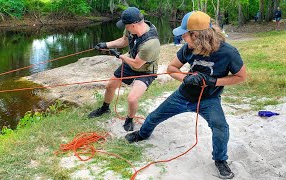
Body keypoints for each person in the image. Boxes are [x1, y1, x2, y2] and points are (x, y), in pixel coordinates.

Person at [125, 11, 247, 179]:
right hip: (183, 96)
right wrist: (186, 78)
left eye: (185, 34)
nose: (182, 38)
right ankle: (142, 134)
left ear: (197, 35)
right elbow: (171, 69)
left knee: (220, 127)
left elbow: (241, 77)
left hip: (208, 99)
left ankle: (220, 160)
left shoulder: (228, 52)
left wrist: (213, 81)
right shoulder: (188, 48)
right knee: (154, 116)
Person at [88, 7, 160, 132]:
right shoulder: (132, 29)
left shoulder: (150, 43)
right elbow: (124, 41)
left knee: (132, 98)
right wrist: (106, 45)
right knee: (110, 85)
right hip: (131, 61)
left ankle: (129, 119)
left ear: (133, 25)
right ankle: (105, 108)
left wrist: (119, 56)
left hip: (146, 70)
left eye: (126, 25)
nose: (124, 27)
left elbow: (137, 64)